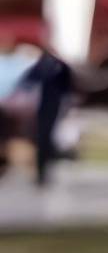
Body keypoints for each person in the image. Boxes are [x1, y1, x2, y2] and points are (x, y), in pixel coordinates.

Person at [26, 38, 74, 189]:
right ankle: (43, 172)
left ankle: (44, 172)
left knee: (44, 139)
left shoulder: (43, 66)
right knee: (44, 139)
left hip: (48, 107)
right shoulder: (56, 66)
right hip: (49, 106)